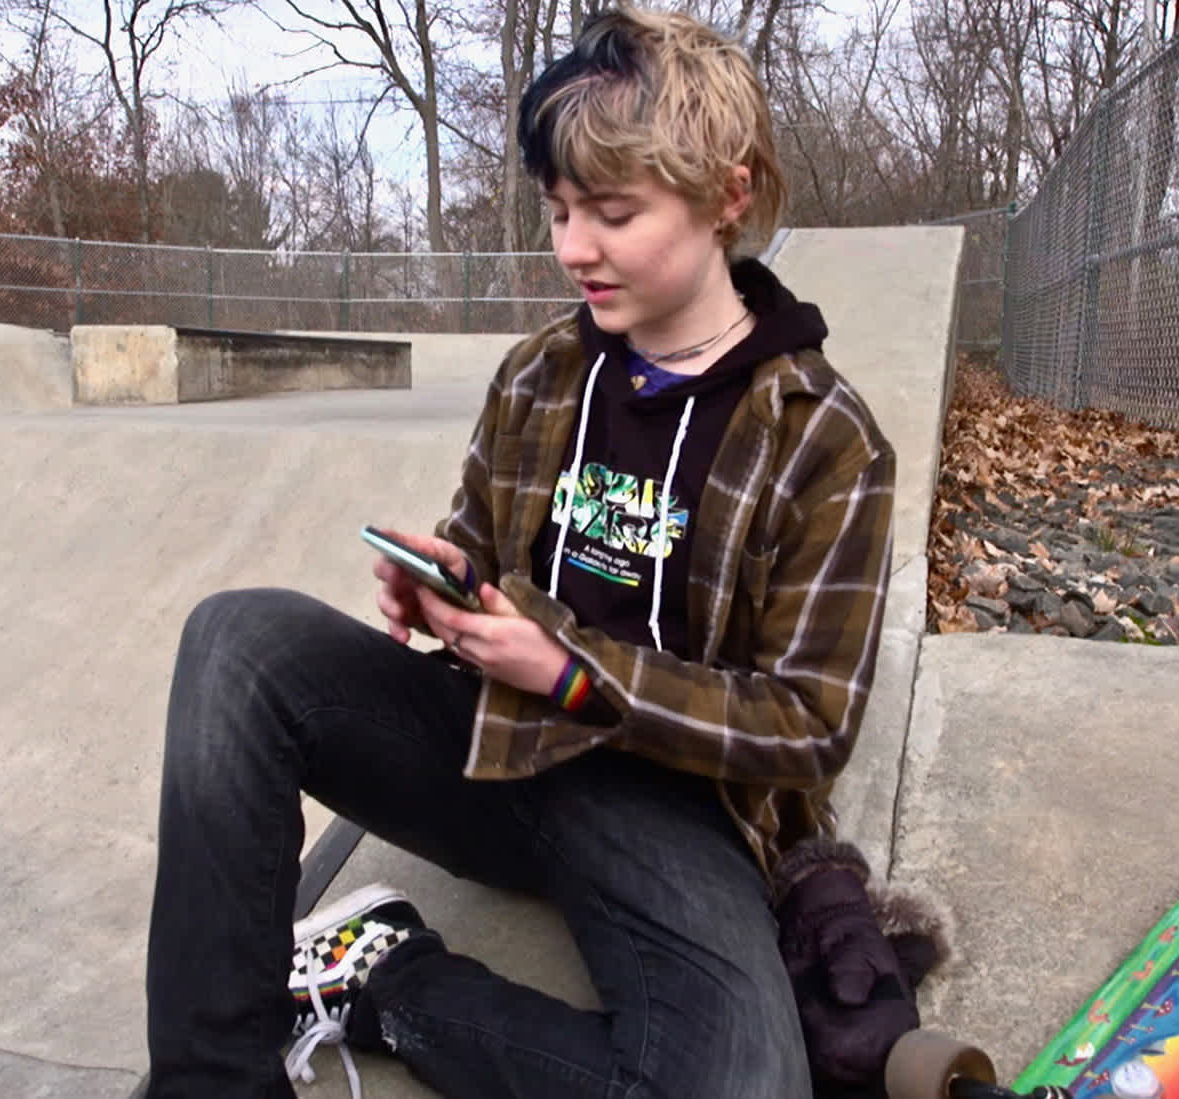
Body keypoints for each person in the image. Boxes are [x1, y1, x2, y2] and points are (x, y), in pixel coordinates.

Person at [143, 6, 897, 1097]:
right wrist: (442, 582)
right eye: (558, 211)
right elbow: (484, 546)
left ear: (728, 197)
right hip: (491, 745)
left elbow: (810, 725)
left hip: (670, 809)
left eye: (614, 213)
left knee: (737, 1082)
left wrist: (578, 676)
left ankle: (385, 981)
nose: (573, 249)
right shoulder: (544, 372)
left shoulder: (822, 437)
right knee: (237, 642)